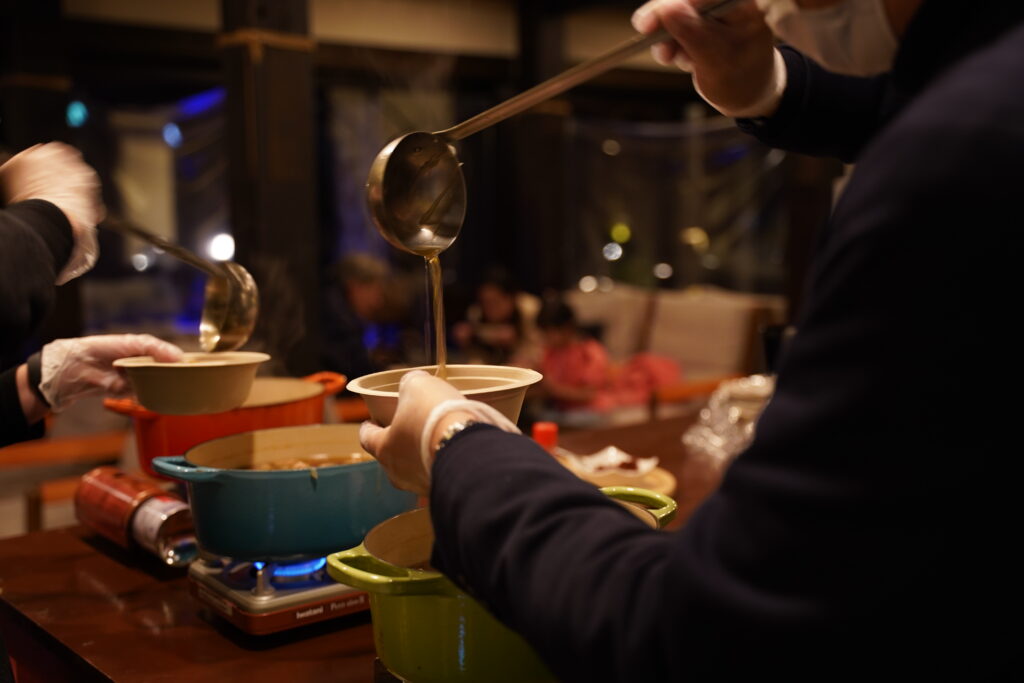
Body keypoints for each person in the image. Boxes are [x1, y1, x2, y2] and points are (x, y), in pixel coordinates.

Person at [359, 1, 1024, 680]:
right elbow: (900, 101)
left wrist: (454, 440)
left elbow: (707, 631)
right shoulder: (976, 91)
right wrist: (766, 85)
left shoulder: (957, 156)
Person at [452, 266, 541, 366]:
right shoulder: (476, 313)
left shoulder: (529, 309)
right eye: (485, 302)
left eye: (496, 302)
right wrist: (467, 342)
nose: (490, 308)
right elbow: (475, 358)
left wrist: (517, 346)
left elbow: (541, 351)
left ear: (511, 297)